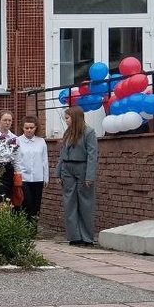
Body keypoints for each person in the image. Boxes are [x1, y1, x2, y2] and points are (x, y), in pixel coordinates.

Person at [56, 105, 98, 246]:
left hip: (82, 167)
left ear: (75, 118)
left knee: (85, 203)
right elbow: (62, 153)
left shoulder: (89, 132)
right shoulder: (67, 133)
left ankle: (87, 237)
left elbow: (92, 155)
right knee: (69, 202)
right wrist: (58, 172)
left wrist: (90, 176)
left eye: (67, 118)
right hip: (67, 169)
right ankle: (74, 236)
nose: (66, 121)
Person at [15, 116, 49, 222]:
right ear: (23, 128)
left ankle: (33, 228)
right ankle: (25, 226)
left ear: (36, 128)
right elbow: (16, 160)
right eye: (26, 128)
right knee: (27, 202)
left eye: (31, 128)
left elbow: (44, 160)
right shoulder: (17, 141)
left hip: (38, 177)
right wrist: (17, 175)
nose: (29, 130)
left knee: (36, 203)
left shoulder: (41, 141)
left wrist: (46, 177)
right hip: (24, 178)